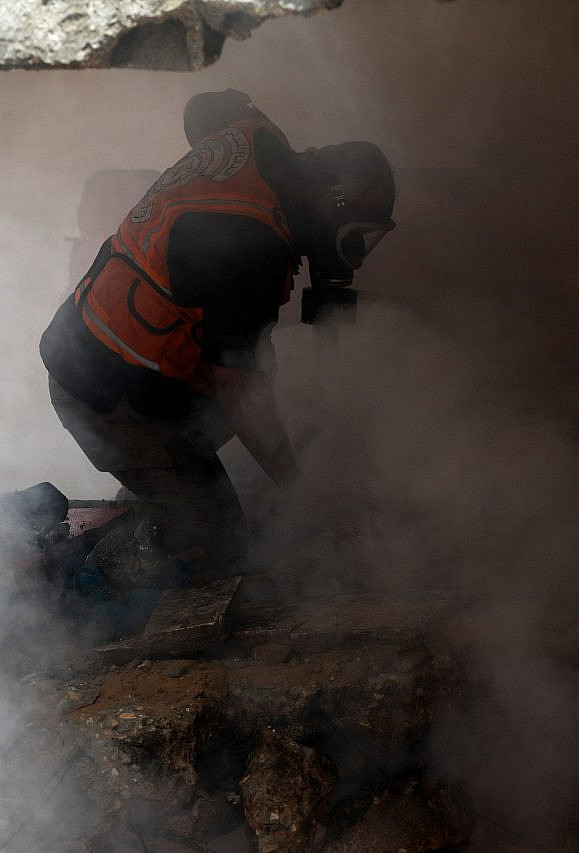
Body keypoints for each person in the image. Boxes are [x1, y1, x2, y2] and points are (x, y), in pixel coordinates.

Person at [40, 90, 396, 574]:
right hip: (103, 393)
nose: (354, 254)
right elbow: (238, 388)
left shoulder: (262, 137)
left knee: (262, 385)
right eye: (355, 235)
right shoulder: (255, 247)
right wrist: (299, 491)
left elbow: (203, 109)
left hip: (124, 356)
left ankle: (172, 484)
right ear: (330, 199)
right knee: (221, 544)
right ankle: (104, 558)